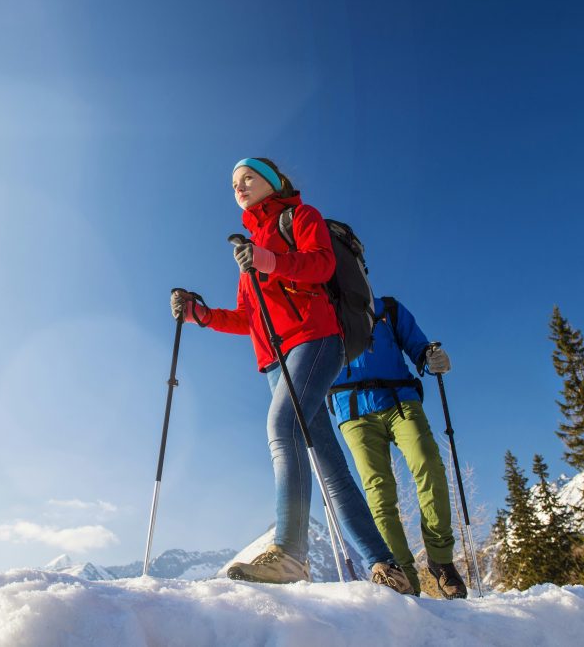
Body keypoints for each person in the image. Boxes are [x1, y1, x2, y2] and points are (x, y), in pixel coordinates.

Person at [171, 157, 412, 593]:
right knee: (327, 463)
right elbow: (248, 316)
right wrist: (200, 315)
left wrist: (268, 260)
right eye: (234, 183)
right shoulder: (250, 245)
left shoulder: (300, 216)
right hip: (273, 360)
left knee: (282, 427)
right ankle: (385, 567)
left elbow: (320, 265)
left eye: (248, 178)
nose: (239, 187)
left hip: (315, 338)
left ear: (272, 182)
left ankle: (290, 554)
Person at [326, 295, 468, 599]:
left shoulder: (387, 308)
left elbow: (418, 347)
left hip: (400, 400)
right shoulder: (318, 309)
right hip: (351, 409)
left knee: (428, 462)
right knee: (378, 493)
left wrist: (431, 357)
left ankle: (441, 561)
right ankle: (402, 578)